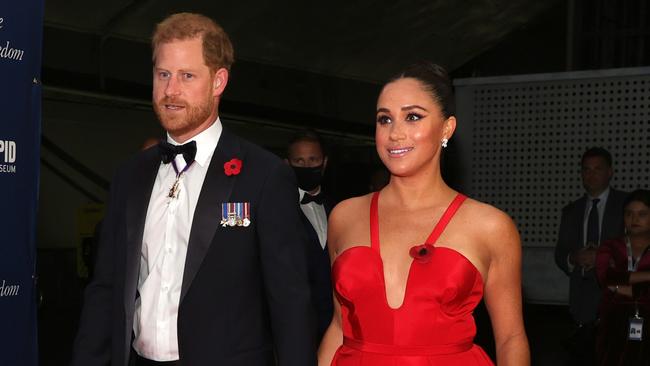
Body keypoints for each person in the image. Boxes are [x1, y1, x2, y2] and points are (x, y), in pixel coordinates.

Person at [71, 13, 316, 366]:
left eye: (187, 76)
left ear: (218, 81)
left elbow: (290, 303)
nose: (171, 90)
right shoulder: (130, 174)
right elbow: (105, 289)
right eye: (163, 74)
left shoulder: (264, 176)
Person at [317, 62, 529, 365]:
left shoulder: (490, 226)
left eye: (412, 117)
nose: (395, 133)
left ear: (447, 128)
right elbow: (339, 327)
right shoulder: (344, 216)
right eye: (384, 119)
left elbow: (511, 338)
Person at [554, 147, 627, 365]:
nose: (591, 175)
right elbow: (560, 253)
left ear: (610, 172)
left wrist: (602, 258)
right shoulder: (572, 210)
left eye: (597, 169)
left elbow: (637, 247)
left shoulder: (627, 206)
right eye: (586, 170)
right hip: (580, 304)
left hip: (617, 300)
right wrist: (574, 257)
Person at [285, 130, 334, 342]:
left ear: (324, 163)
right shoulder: (276, 209)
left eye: (313, 159)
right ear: (287, 164)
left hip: (336, 325)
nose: (307, 166)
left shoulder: (340, 208)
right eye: (299, 161)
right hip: (294, 327)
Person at [595, 189, 650, 365]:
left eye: (642, 214)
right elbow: (606, 277)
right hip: (613, 327)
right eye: (629, 214)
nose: (634, 219)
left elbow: (614, 283)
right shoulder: (610, 247)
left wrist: (620, 288)